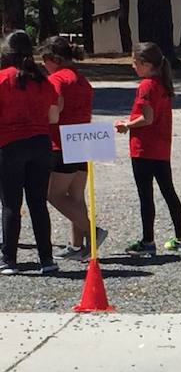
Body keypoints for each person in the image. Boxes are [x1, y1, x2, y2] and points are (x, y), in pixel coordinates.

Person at [115, 42, 181, 256]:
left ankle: (148, 241)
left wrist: (126, 125)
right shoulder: (163, 83)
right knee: (168, 192)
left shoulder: (146, 86)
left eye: (135, 63)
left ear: (146, 64)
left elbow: (147, 118)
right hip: (162, 148)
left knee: (146, 195)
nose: (133, 67)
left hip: (144, 149)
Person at [40, 35, 107, 261]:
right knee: (76, 197)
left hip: (61, 141)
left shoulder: (56, 80)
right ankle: (77, 246)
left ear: (53, 59)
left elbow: (55, 110)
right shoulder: (81, 79)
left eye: (44, 60)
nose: (43, 65)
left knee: (53, 194)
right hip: (84, 138)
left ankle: (93, 232)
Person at [0, 30, 60, 276]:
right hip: (41, 144)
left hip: (10, 145)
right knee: (38, 204)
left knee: (11, 204)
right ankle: (46, 258)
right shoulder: (43, 80)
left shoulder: (3, 79)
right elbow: (53, 116)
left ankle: (9, 259)